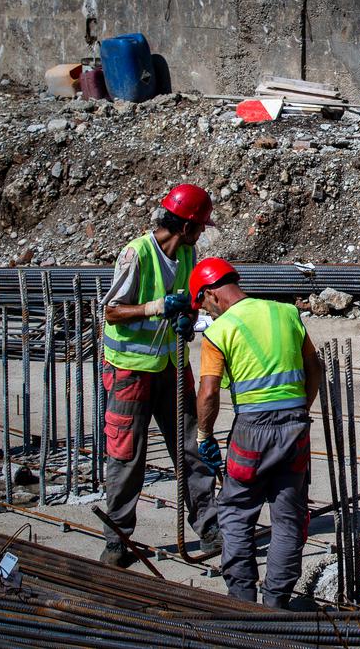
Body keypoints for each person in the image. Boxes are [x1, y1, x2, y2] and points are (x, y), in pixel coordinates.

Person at [190, 257, 323, 608]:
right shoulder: (286, 313)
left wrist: (204, 436)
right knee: (288, 517)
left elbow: (207, 392)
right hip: (295, 428)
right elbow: (315, 368)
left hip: (252, 431)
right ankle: (276, 603)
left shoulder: (218, 332)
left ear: (211, 294)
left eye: (203, 303)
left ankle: (242, 602)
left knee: (235, 513)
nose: (207, 312)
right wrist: (299, 410)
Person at [100, 183, 220, 567]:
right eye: (200, 227)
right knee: (126, 455)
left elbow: (188, 300)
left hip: (171, 366)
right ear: (185, 225)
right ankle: (117, 539)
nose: (201, 233)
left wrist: (186, 317)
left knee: (191, 447)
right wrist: (155, 307)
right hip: (130, 371)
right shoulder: (136, 254)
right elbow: (112, 312)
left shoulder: (187, 253)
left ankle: (209, 524)